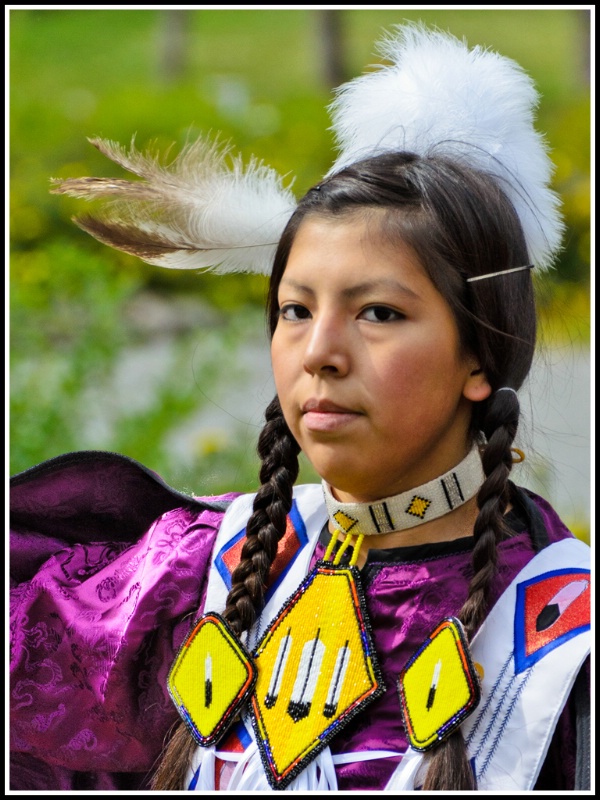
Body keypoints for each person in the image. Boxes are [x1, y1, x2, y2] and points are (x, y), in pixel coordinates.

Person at [10, 23, 590, 792]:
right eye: (293, 310)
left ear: (480, 355)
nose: (319, 351)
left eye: (378, 313)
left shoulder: (564, 645)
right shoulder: (189, 577)